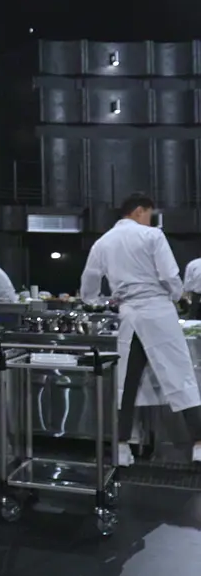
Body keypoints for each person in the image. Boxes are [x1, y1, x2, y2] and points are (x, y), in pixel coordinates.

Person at [80, 193, 201, 465]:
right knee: (180, 376)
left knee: (126, 383)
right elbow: (169, 275)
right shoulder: (152, 236)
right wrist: (176, 295)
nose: (149, 219)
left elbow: (89, 280)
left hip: (129, 317)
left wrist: (96, 300)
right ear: (138, 211)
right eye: (148, 214)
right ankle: (199, 444)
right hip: (158, 313)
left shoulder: (103, 242)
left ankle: (122, 447)